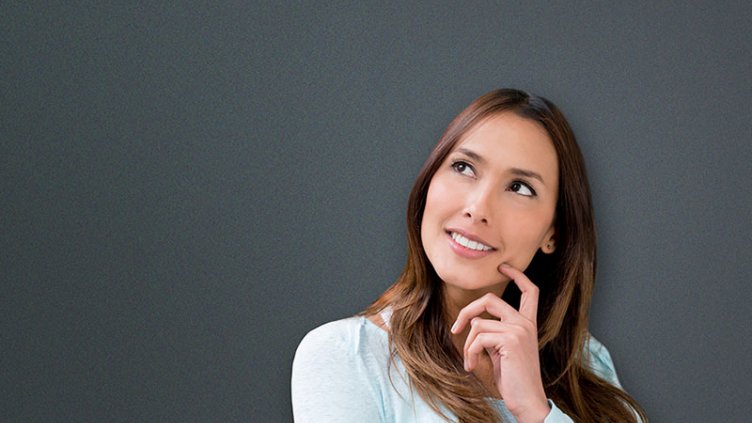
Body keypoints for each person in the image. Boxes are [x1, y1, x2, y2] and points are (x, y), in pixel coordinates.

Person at [291, 89, 647, 422]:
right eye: (463, 167)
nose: (478, 208)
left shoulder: (585, 365)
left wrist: (537, 411)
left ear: (553, 234)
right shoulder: (345, 358)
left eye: (519, 187)